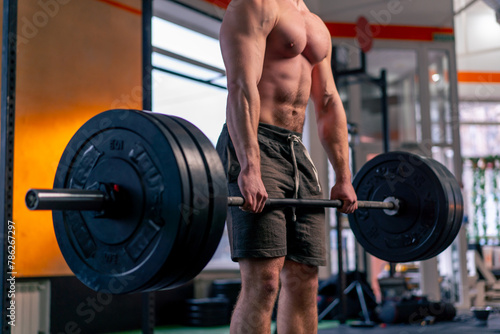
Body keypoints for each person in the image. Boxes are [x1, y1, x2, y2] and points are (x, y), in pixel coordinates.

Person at [216, 0, 358, 333]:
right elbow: (240, 85)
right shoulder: (254, 5)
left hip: (297, 150)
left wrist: (344, 176)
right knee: (264, 280)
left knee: (305, 277)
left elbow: (328, 101)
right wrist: (249, 165)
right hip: (254, 141)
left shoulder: (315, 23)